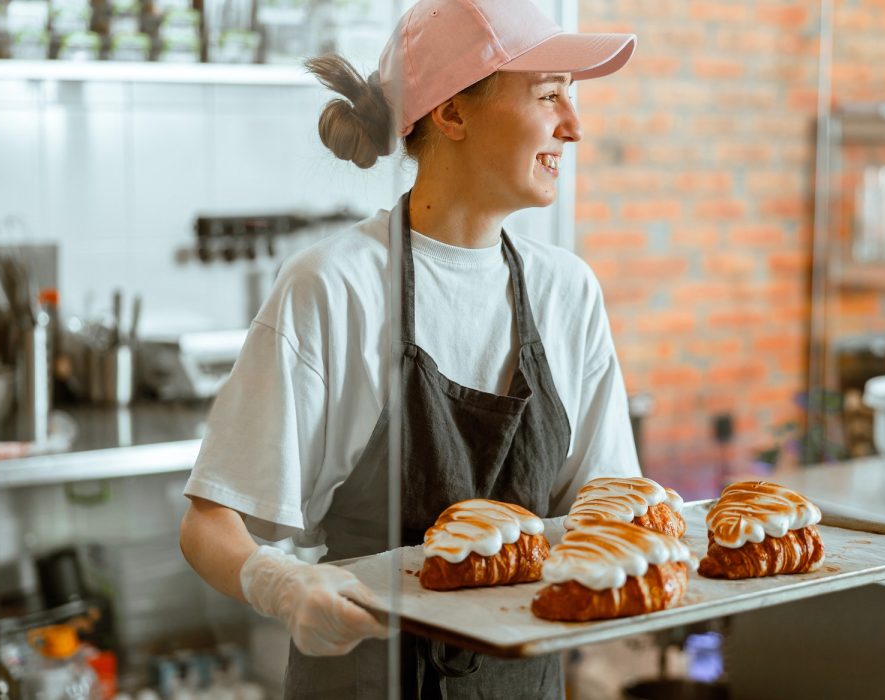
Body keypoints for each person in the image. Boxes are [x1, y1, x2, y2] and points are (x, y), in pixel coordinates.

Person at [178, 0, 640, 697]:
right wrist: (281, 585)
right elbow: (210, 523)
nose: (573, 127)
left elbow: (604, 505)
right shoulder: (334, 288)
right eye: (549, 95)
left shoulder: (566, 292)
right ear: (452, 115)